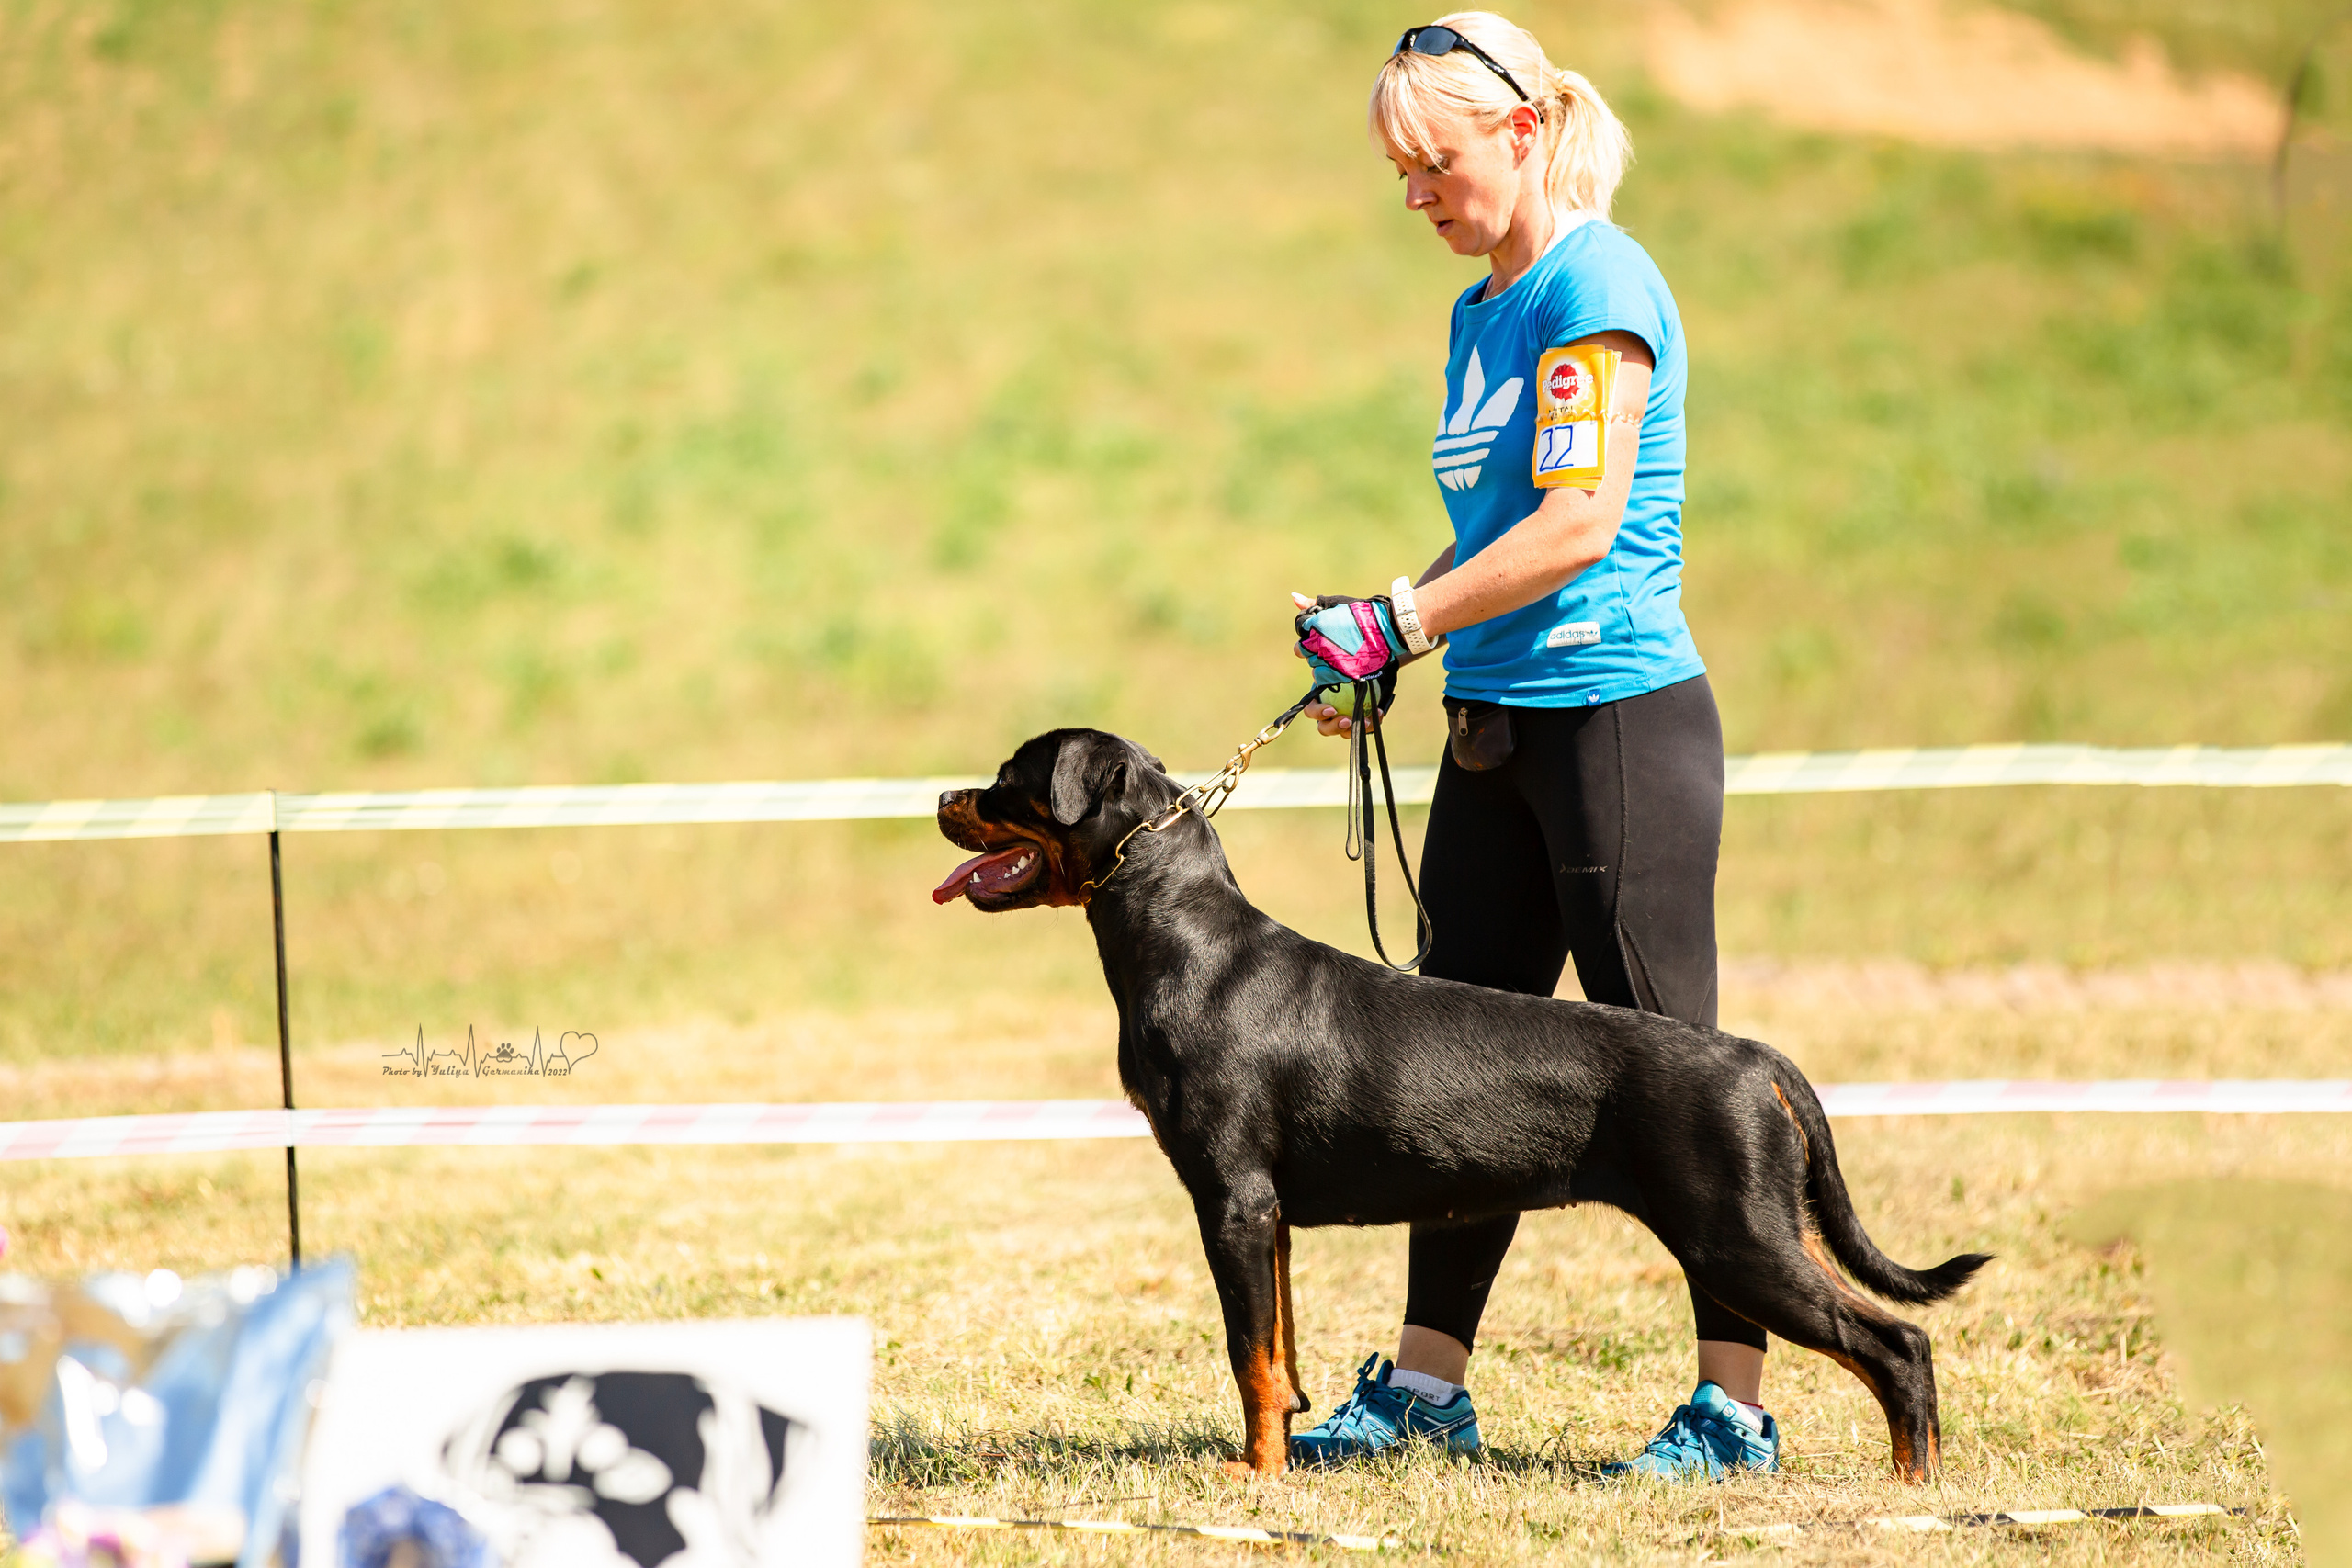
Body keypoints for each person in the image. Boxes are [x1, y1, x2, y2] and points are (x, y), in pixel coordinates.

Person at [1281, 14, 1774, 1481]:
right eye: (1398, 173)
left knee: (1672, 1075)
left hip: (1614, 714)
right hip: (1492, 724)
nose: (1415, 194)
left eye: (1430, 161)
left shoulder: (1596, 280)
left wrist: (1406, 617)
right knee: (1449, 1068)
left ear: (1513, 130)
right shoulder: (1478, 310)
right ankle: (1427, 1387)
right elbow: (1495, 532)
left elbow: (1578, 524)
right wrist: (1378, 633)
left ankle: (1735, 1410)